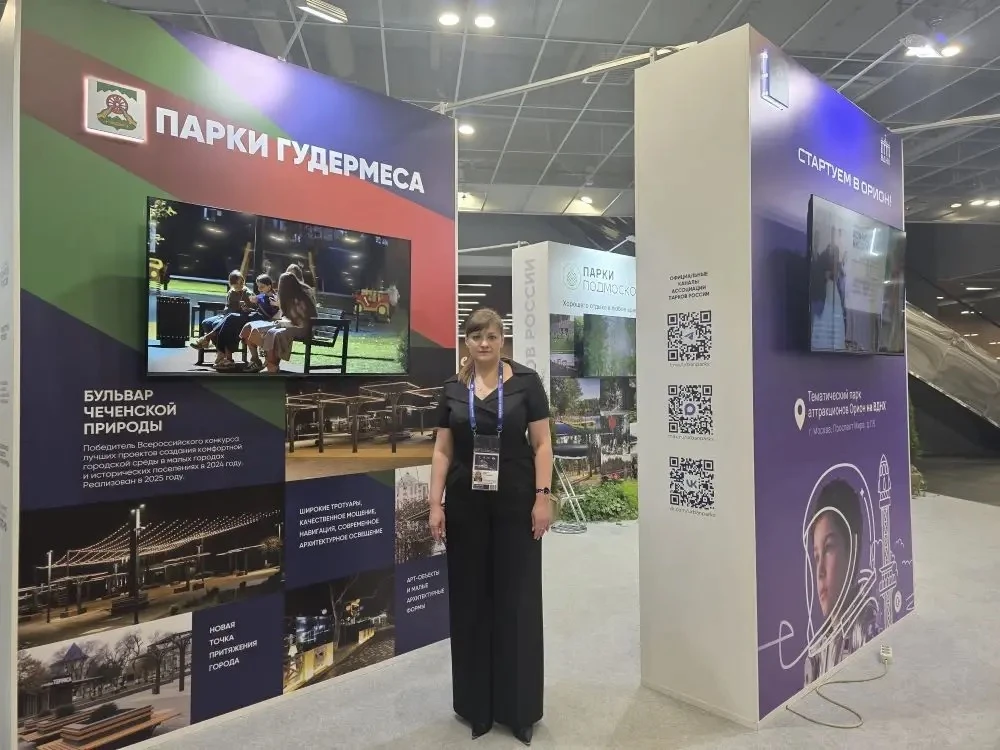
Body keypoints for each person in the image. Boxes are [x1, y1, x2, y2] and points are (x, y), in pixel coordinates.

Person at [428, 307, 554, 746]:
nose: (484, 343)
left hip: (517, 503)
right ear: (466, 341)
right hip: (465, 505)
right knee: (470, 601)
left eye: (493, 336)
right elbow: (442, 451)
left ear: (503, 341)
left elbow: (542, 444)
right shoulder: (452, 388)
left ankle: (520, 710)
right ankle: (475, 706)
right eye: (476, 336)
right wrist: (435, 504)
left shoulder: (526, 383)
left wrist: (543, 497)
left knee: (517, 601)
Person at [804, 479, 877, 685]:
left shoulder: (868, 632)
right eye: (816, 556)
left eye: (828, 548)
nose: (820, 571)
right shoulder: (816, 655)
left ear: (852, 549)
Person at [241, 272, 317, 374]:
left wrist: (281, 317)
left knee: (273, 333)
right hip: (289, 323)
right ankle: (263, 361)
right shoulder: (288, 295)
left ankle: (272, 365)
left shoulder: (302, 296)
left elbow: (301, 320)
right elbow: (284, 315)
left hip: (304, 327)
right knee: (254, 328)